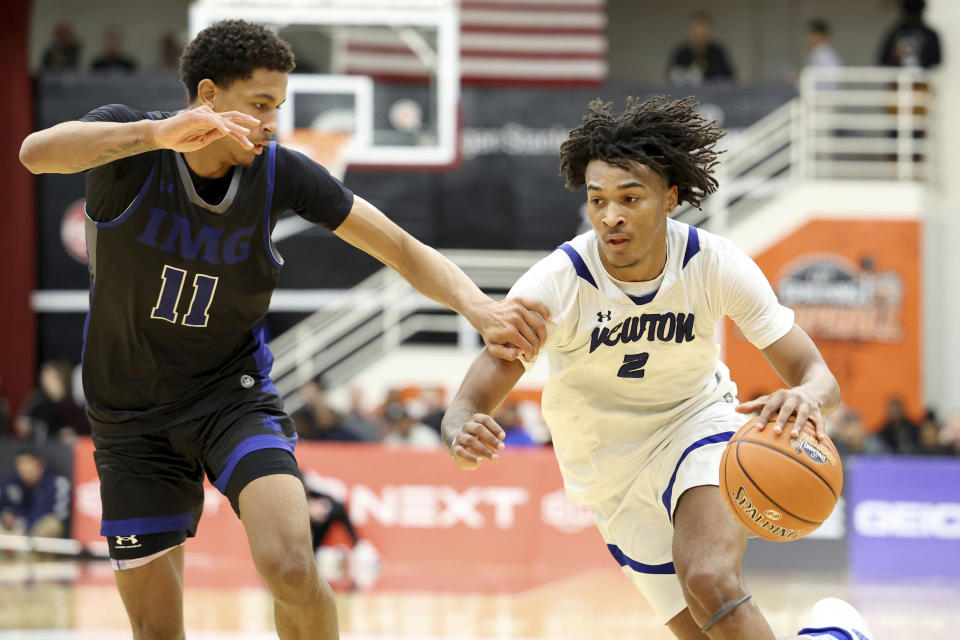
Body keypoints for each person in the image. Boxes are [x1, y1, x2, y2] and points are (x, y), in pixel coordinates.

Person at [19, 19, 547, 640]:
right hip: (129, 418)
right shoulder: (129, 146)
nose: (273, 122)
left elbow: (400, 248)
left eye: (279, 107)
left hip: (229, 397)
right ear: (209, 96)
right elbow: (34, 153)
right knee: (157, 630)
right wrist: (155, 133)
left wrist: (479, 309)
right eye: (260, 105)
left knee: (292, 566)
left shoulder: (279, 171)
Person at [441, 96, 874, 640]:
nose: (610, 215)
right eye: (597, 200)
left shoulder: (714, 264)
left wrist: (809, 396)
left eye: (629, 197)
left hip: (696, 423)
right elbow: (471, 400)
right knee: (703, 631)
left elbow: (817, 375)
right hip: (606, 466)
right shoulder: (558, 282)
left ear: (670, 198)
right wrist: (460, 427)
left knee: (711, 578)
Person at [0, 448, 71, 540]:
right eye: (20, 463)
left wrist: (23, 529)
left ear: (40, 465)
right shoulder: (11, 484)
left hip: (35, 537)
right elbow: (6, 508)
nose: (23, 467)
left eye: (28, 462)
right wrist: (6, 516)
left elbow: (59, 515)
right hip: (12, 535)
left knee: (53, 524)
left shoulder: (56, 484)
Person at [666, 11, 736, 85]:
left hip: (714, 93)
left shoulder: (717, 52)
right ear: (690, 31)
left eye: (703, 32)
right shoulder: (681, 52)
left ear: (709, 31)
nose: (699, 36)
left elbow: (730, 76)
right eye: (696, 32)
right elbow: (669, 76)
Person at [877, 0, 942, 69]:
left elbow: (936, 59)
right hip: (898, 76)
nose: (912, 17)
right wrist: (894, 57)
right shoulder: (896, 33)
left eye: (915, 13)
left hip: (922, 76)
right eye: (910, 14)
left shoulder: (929, 35)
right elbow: (883, 59)